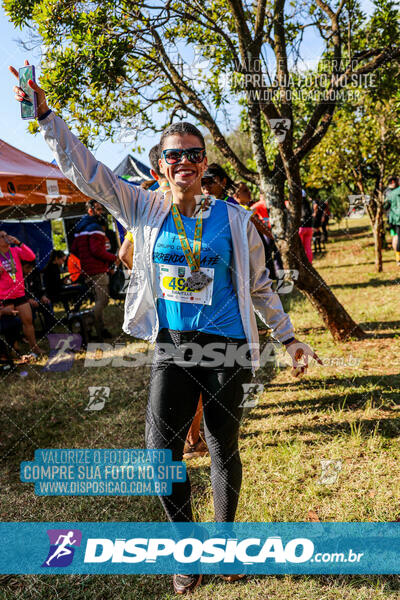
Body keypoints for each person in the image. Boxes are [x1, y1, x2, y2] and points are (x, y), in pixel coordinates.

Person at [11, 64, 321, 594]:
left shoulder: (235, 219)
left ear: (204, 165)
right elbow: (87, 170)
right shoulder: (141, 206)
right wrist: (45, 115)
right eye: (173, 155)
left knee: (223, 446)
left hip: (227, 348)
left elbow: (260, 285)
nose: (184, 162)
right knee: (161, 453)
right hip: (172, 345)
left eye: (193, 155)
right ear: (159, 166)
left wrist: (288, 336)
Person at [71, 199, 119, 339]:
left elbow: (74, 249)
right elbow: (97, 251)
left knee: (98, 300)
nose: (101, 212)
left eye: (101, 209)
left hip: (86, 270)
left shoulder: (80, 228)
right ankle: (86, 326)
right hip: (97, 270)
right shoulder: (95, 228)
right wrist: (113, 258)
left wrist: (85, 260)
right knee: (102, 301)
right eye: (98, 209)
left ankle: (99, 330)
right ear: (90, 211)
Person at [0, 230, 42, 357]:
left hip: (19, 294)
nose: (6, 238)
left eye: (7, 235)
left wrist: (19, 243)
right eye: (2, 236)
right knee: (10, 327)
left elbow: (31, 257)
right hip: (5, 296)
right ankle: (14, 351)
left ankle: (34, 348)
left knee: (28, 321)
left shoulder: (15, 251)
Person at [22, 259, 56, 333]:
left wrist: (43, 296)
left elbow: (40, 287)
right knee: (29, 308)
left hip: (37, 298)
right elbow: (20, 292)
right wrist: (28, 299)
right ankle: (31, 331)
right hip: (24, 301)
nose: (30, 270)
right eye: (27, 268)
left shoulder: (35, 273)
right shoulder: (18, 276)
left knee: (47, 304)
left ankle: (48, 329)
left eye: (31, 268)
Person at [384, 176, 400, 265]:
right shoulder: (394, 192)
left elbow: (385, 206)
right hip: (395, 218)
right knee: (397, 237)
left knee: (395, 236)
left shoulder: (387, 192)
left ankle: (397, 257)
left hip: (393, 218)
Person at [298, 192, 313, 264]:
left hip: (301, 228)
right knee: (308, 247)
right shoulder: (307, 203)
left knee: (300, 248)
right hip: (309, 228)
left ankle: (301, 263)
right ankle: (309, 262)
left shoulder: (297, 203)